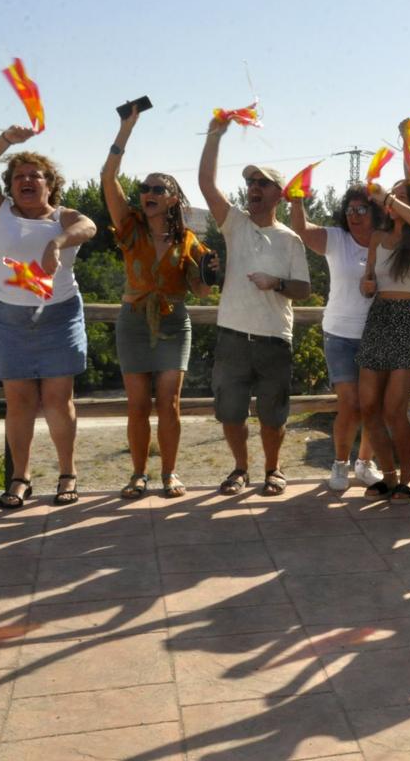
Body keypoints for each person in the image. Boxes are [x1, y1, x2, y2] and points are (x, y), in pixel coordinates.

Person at [0, 127, 96, 508]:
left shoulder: (63, 218)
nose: (26, 180)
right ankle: (20, 478)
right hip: (9, 318)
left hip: (59, 316)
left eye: (35, 175)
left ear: (50, 184)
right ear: (10, 186)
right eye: (18, 176)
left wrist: (56, 242)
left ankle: (67, 474)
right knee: (18, 399)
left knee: (59, 400)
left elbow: (89, 227)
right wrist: (6, 142)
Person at [198, 118, 311, 497]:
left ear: (279, 193)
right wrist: (215, 135)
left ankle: (274, 470)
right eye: (251, 182)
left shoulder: (291, 239)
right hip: (232, 336)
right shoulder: (235, 225)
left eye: (263, 183)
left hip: (274, 340)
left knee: (273, 414)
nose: (254, 188)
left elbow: (305, 289)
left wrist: (276, 283)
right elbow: (206, 185)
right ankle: (240, 469)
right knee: (230, 412)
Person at [102, 105, 211, 499]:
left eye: (156, 189)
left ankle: (168, 473)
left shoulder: (190, 242)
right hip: (132, 320)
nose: (147, 193)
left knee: (170, 402)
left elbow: (200, 291)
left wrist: (208, 271)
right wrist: (125, 129)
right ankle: (137, 474)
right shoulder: (128, 227)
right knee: (136, 405)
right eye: (145, 189)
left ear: (172, 199)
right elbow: (108, 177)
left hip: (173, 322)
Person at [288, 185, 380, 491]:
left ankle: (365, 464)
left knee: (372, 406)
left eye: (362, 209)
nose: (354, 215)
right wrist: (298, 199)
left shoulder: (388, 242)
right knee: (350, 404)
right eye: (350, 210)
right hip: (339, 333)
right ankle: (340, 465)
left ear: (375, 211)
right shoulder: (336, 238)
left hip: (375, 334)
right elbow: (300, 228)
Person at [355, 179, 410, 503]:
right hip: (380, 316)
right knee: (369, 406)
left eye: (403, 198)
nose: (394, 203)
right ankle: (388, 477)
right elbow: (371, 278)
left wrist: (389, 198)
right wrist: (367, 284)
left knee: (394, 409)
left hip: (409, 319)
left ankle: (409, 477)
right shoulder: (378, 237)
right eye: (393, 197)